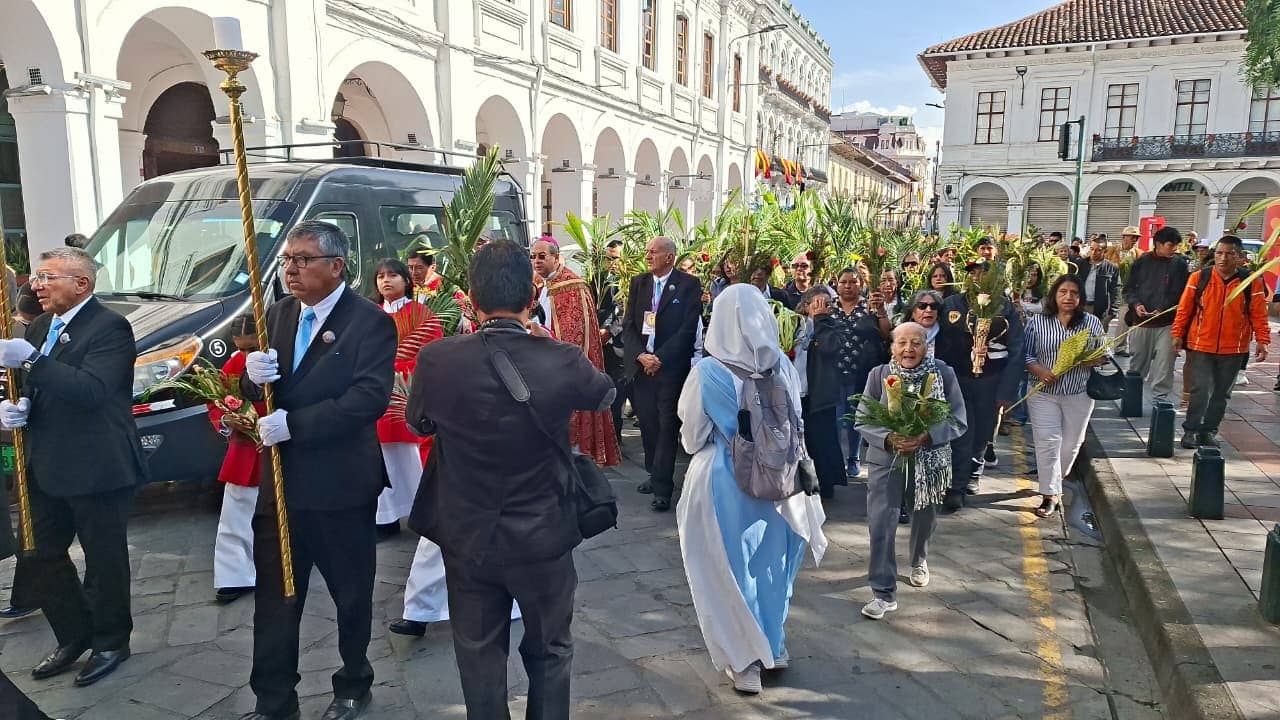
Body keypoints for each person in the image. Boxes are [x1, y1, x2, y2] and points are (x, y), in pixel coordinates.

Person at [404, 239, 615, 719]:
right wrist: (551, 347)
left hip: (468, 532)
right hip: (543, 533)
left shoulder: (439, 359)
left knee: (478, 653)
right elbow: (603, 394)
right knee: (551, 650)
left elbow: (418, 424)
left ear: (473, 299)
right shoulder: (558, 358)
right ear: (531, 296)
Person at [240, 220, 396, 720]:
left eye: (304, 259)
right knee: (275, 597)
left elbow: (367, 399)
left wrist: (295, 425)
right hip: (281, 486)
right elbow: (261, 393)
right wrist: (250, 377)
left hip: (340, 485)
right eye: (287, 259)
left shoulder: (368, 321)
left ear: (337, 266)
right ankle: (273, 697)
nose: (291, 269)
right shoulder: (279, 314)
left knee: (350, 594)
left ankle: (353, 680)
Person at [0, 247, 146, 686]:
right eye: (36, 277)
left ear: (81, 284)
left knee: (103, 561)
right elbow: (39, 386)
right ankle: (74, 632)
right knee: (38, 555)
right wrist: (19, 405)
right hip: (46, 462)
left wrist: (31, 360)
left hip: (98, 464)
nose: (35, 285)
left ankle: (110, 640)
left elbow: (91, 390)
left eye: (47, 277)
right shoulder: (42, 325)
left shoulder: (110, 328)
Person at [675, 283, 827, 694]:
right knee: (771, 567)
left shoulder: (707, 372)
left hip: (724, 482)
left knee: (726, 571)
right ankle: (774, 647)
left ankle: (744, 662)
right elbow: (796, 421)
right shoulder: (782, 365)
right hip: (781, 484)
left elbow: (692, 438)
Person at [856, 322, 967, 620]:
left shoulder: (943, 374)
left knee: (924, 516)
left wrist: (927, 436)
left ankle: (919, 558)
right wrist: (888, 438)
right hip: (886, 461)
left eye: (916, 342)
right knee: (881, 523)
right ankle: (882, 591)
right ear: (892, 347)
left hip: (929, 460)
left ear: (926, 346)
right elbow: (862, 419)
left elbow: (958, 420)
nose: (909, 349)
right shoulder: (879, 375)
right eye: (902, 342)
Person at [622, 237, 704, 512]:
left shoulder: (688, 285)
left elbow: (687, 328)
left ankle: (663, 488)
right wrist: (640, 355)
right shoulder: (640, 283)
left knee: (667, 425)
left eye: (653, 252)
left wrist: (660, 358)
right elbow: (629, 325)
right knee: (647, 423)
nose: (648, 256)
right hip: (642, 367)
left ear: (669, 257)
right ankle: (653, 471)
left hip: (669, 369)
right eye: (647, 251)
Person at [935, 262, 1023, 511]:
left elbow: (1016, 351)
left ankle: (972, 469)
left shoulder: (1004, 308)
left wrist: (1007, 391)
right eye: (973, 273)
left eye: (983, 274)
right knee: (961, 434)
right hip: (958, 380)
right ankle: (956, 488)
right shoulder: (953, 305)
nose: (977, 278)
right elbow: (940, 341)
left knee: (982, 434)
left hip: (990, 381)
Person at [1172, 235, 1271, 449]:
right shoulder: (1199, 278)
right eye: (1219, 253)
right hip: (1201, 345)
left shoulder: (1250, 281)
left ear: (1240, 257)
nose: (1223, 258)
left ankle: (1208, 432)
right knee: (1200, 389)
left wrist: (1263, 340)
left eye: (1229, 254)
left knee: (1221, 393)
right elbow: (1184, 309)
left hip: (1234, 349)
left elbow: (1258, 314)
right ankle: (1190, 430)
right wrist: (1177, 334)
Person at [1024, 275, 1110, 519]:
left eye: (1074, 292)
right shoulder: (1038, 322)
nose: (1068, 297)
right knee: (1047, 441)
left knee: (1072, 444)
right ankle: (1050, 494)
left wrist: (1094, 358)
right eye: (1063, 292)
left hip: (1078, 393)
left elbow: (1105, 352)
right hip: (1043, 393)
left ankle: (1055, 480)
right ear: (1054, 295)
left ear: (1080, 297)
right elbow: (1026, 354)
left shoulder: (1091, 323)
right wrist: (1039, 370)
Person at [371, 258, 444, 540]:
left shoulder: (423, 315)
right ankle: (385, 517)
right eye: (380, 276)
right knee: (383, 457)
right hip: (377, 395)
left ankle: (423, 512)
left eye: (392, 275)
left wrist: (401, 373)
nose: (386, 280)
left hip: (409, 394)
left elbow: (432, 354)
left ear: (406, 281)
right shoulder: (371, 315)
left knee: (414, 455)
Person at [531, 238, 621, 466]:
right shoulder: (543, 285)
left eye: (542, 256)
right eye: (533, 256)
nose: (536, 261)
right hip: (544, 366)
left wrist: (545, 340)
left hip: (562, 369)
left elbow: (576, 336)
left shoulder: (572, 286)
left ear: (555, 257)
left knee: (573, 451)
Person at [207, 315, 267, 604]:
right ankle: (235, 575)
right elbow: (215, 402)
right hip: (244, 449)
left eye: (253, 347)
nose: (247, 355)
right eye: (241, 349)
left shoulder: (277, 360)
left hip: (277, 445)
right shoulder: (232, 366)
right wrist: (229, 421)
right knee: (236, 516)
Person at [833, 267, 891, 481]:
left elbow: (886, 333)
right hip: (835, 371)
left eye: (853, 282)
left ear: (861, 284)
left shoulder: (869, 306)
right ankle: (838, 459)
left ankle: (854, 458)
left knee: (856, 415)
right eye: (843, 282)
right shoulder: (830, 307)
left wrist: (881, 311)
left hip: (861, 370)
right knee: (838, 418)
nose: (848, 286)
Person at [1123, 226, 1189, 405]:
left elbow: (1181, 293)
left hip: (1167, 324)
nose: (1174, 249)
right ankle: (1131, 400)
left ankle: (1161, 401)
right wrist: (1136, 304)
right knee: (1137, 365)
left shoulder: (1180, 264)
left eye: (1176, 245)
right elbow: (1129, 289)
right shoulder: (1141, 262)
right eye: (1170, 245)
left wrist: (1164, 307)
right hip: (1141, 323)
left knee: (1164, 364)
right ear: (1158, 244)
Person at [793, 285, 845, 498]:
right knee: (800, 442)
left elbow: (829, 348)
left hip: (819, 394)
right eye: (818, 304)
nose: (823, 308)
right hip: (797, 392)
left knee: (821, 440)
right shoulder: (793, 325)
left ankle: (825, 484)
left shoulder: (832, 327)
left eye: (827, 305)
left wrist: (821, 320)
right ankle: (801, 483)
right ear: (806, 306)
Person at [1111, 226, 1144, 356]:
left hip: (1130, 291)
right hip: (1113, 290)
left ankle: (1120, 347)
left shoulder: (1140, 254)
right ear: (1124, 237)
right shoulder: (1112, 251)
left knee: (1125, 319)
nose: (1135, 240)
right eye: (1132, 237)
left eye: (1136, 237)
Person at [1076, 238, 1119, 326]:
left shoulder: (1112, 267)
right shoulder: (1080, 264)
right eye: (1091, 249)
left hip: (1099, 308)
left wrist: (1113, 310)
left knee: (1097, 337)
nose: (1094, 252)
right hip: (1080, 305)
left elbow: (1116, 289)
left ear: (1105, 251)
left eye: (1098, 250)